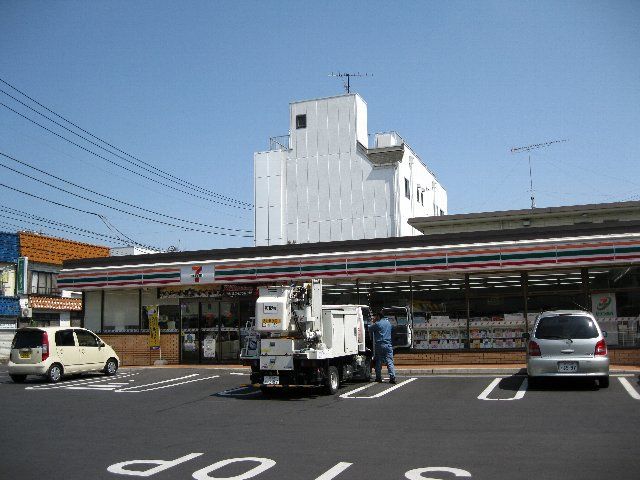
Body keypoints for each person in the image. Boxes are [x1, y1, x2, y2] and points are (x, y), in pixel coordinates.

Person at [370, 310, 396, 384]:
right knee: (390, 361)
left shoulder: (377, 324)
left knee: (378, 361)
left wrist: (373, 321)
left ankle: (378, 377)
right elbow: (392, 330)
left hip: (379, 345)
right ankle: (392, 377)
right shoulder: (388, 323)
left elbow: (370, 328)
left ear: (378, 316)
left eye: (375, 316)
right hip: (388, 345)